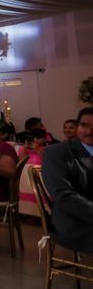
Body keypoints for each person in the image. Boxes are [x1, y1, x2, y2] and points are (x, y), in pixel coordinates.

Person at [41, 107, 93, 253]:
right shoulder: (56, 153)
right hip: (74, 220)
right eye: (84, 125)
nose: (89, 131)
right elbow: (63, 196)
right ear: (78, 126)